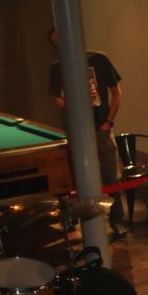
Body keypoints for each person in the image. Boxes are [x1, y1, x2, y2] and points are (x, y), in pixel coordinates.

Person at [47, 27, 127, 238]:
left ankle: (117, 220)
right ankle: (77, 219)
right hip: (76, 131)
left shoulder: (99, 59)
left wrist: (108, 122)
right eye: (56, 44)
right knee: (77, 179)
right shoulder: (57, 67)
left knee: (111, 177)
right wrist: (69, 105)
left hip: (101, 128)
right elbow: (57, 98)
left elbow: (117, 94)